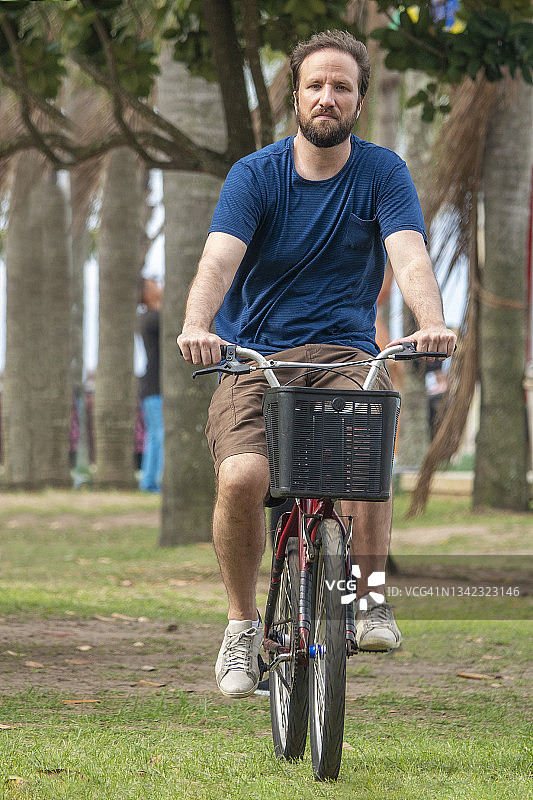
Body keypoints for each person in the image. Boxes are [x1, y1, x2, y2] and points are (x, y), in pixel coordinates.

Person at [177, 30, 456, 699]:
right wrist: (196, 323)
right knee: (243, 476)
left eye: (341, 87)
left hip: (343, 354)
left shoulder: (381, 172)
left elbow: (409, 252)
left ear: (358, 100)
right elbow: (219, 259)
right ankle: (242, 624)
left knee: (365, 451)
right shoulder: (255, 175)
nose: (326, 97)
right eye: (315, 85)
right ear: (295, 96)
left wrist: (430, 321)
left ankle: (369, 598)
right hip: (255, 358)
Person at [138, 277, 164, 493]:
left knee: (154, 434)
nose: (159, 286)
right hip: (154, 387)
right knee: (158, 434)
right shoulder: (153, 318)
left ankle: (149, 480)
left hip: (150, 387)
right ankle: (150, 482)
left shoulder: (149, 317)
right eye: (154, 284)